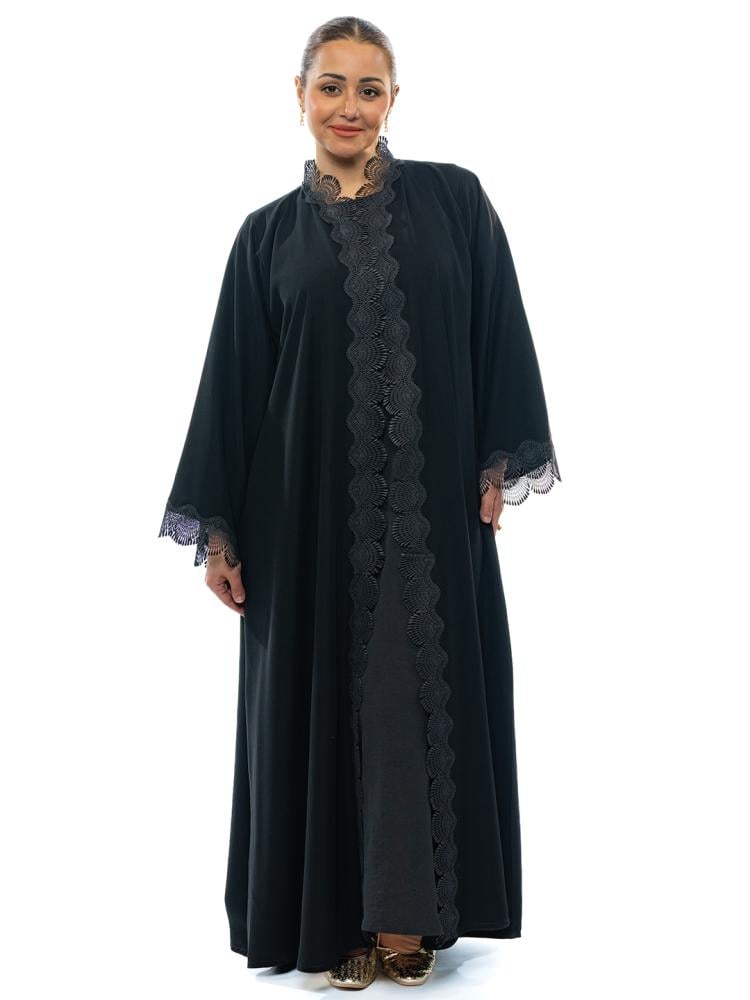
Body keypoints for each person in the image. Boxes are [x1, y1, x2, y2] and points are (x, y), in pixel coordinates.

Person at [157, 15, 561, 990]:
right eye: (330, 86)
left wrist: (496, 459)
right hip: (302, 520)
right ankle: (337, 919)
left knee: (408, 694)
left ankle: (406, 918)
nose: (348, 106)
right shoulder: (267, 236)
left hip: (429, 517)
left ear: (393, 100)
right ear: (298, 96)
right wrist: (220, 528)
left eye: (367, 89)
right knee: (319, 703)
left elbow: (499, 327)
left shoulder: (456, 201)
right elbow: (233, 385)